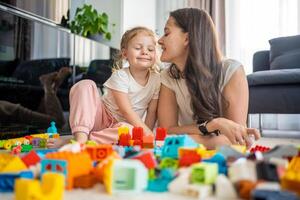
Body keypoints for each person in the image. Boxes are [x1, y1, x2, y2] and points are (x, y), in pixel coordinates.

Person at [157, 8, 260, 149]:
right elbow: (166, 131)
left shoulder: (231, 71)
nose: (159, 40)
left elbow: (237, 138)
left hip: (188, 143)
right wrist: (214, 125)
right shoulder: (167, 76)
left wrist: (193, 139)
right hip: (188, 146)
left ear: (187, 39)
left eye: (166, 33)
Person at [48, 26, 160, 147]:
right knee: (86, 84)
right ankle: (80, 137)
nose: (145, 52)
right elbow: (126, 111)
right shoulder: (121, 76)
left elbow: (152, 111)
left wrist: (147, 137)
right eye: (138, 48)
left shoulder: (157, 80)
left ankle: (81, 141)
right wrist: (146, 133)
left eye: (150, 49)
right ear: (125, 53)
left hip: (121, 128)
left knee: (129, 130)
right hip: (100, 118)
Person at [0, 67, 71, 129]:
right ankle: (51, 86)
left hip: (5, 109)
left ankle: (48, 85)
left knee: (55, 122)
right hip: (5, 109)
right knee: (47, 118)